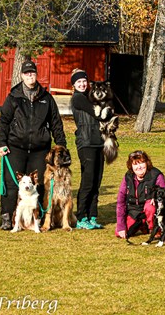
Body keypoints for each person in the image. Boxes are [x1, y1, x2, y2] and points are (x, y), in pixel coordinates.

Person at [0, 59, 67, 230]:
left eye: (33, 73)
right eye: (27, 73)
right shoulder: (14, 97)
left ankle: (39, 217)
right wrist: (1, 143)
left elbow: (56, 123)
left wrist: (61, 146)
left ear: (36, 75)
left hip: (40, 149)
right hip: (16, 147)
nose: (30, 76)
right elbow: (4, 121)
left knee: (40, 184)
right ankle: (7, 216)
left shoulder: (46, 98)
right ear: (21, 75)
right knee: (11, 183)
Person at [70, 68, 107, 230]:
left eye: (84, 81)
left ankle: (92, 216)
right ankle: (81, 217)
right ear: (74, 85)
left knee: (96, 182)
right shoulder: (78, 99)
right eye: (79, 82)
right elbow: (98, 114)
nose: (82, 84)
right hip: (86, 144)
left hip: (99, 142)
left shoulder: (89, 97)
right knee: (87, 181)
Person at [115, 150, 165, 238]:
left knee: (150, 206)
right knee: (119, 233)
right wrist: (121, 227)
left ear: (147, 163)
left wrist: (157, 198)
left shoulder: (157, 175)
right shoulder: (128, 177)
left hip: (151, 209)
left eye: (142, 163)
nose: (139, 167)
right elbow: (121, 202)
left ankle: (156, 229)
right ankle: (142, 224)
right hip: (134, 209)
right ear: (131, 166)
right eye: (135, 164)